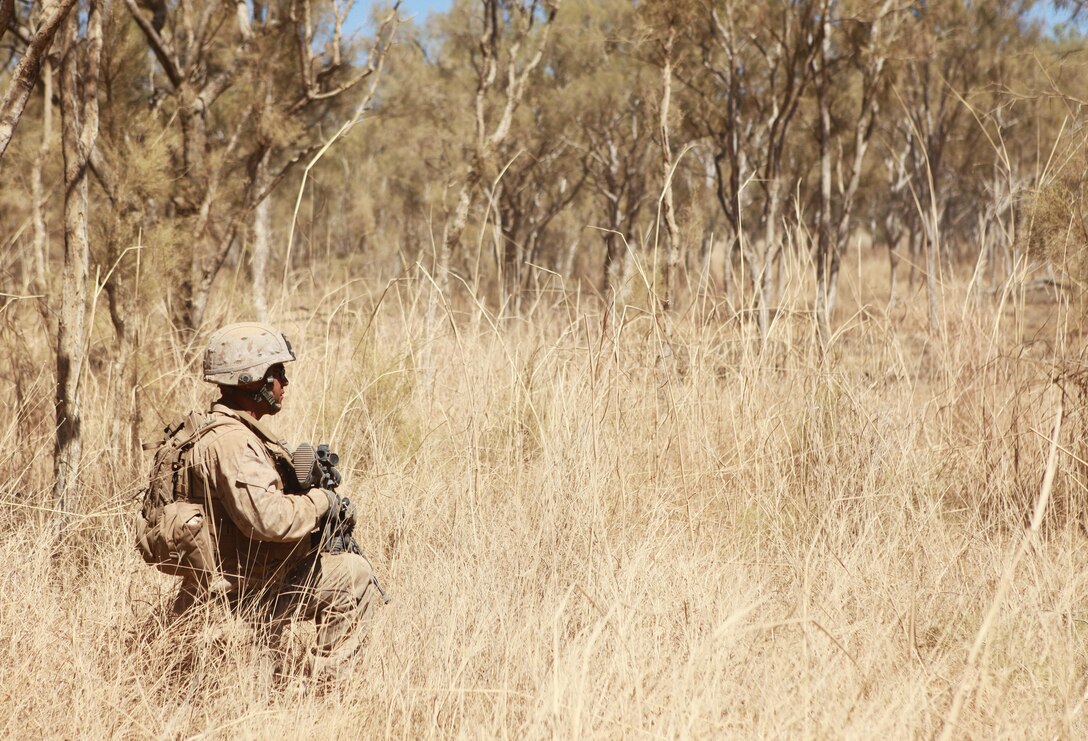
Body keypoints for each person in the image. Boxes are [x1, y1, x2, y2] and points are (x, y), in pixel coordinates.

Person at [174, 321, 380, 675]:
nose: (285, 383)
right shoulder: (232, 443)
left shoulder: (226, 431)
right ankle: (329, 688)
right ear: (251, 380)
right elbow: (268, 520)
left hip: (235, 583)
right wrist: (320, 503)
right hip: (238, 595)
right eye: (277, 373)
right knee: (354, 576)